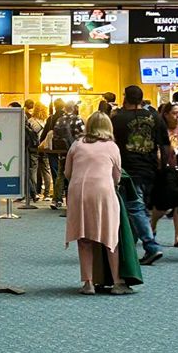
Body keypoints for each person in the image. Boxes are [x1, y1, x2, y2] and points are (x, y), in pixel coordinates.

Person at [64, 112, 133, 296]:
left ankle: (88, 283)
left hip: (78, 192)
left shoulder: (77, 145)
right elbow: (117, 177)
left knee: (84, 238)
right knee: (110, 236)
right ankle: (117, 282)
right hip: (103, 191)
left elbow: (67, 173)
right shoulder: (112, 147)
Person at [111, 85, 173, 266]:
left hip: (129, 169)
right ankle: (130, 246)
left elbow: (112, 144)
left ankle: (151, 245)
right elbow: (165, 145)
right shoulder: (154, 117)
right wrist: (164, 167)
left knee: (134, 207)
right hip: (151, 167)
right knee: (139, 207)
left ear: (125, 98)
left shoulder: (118, 119)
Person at [151, 102, 178, 248]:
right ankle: (152, 224)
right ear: (166, 114)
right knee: (163, 206)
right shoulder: (160, 129)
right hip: (163, 170)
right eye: (174, 113)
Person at [49, 103, 84, 209]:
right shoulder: (77, 119)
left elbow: (55, 134)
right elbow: (83, 134)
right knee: (75, 175)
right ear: (74, 109)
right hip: (75, 151)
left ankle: (57, 199)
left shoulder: (60, 120)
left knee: (60, 174)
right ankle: (72, 201)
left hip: (62, 151)